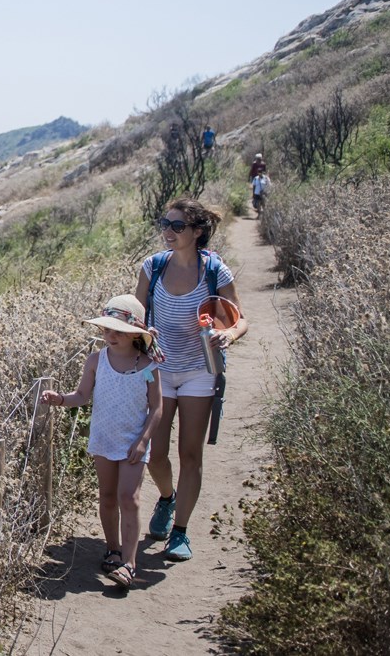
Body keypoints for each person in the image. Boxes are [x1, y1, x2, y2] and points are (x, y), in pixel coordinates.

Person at [137, 198, 247, 562]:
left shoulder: (215, 271)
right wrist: (142, 336)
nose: (167, 232)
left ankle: (180, 531)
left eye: (177, 226)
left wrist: (228, 336)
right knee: (155, 452)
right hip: (160, 371)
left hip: (201, 370)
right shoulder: (151, 268)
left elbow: (238, 319)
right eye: (164, 224)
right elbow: (135, 321)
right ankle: (167, 498)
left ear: (197, 232)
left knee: (190, 454)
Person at [41, 294, 167, 588]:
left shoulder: (149, 366)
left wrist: (143, 440)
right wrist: (60, 399)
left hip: (134, 441)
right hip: (104, 438)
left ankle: (129, 563)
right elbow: (82, 395)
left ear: (135, 333)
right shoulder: (96, 360)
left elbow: (157, 407)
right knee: (108, 497)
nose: (110, 336)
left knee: (129, 498)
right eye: (107, 330)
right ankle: (112, 549)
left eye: (117, 330)